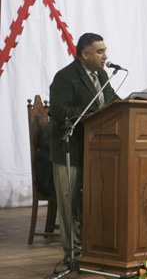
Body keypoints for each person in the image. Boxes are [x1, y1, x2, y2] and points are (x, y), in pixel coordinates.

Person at [49, 33, 119, 263]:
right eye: (100, 52)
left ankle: (94, 247)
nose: (105, 56)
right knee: (69, 204)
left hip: (98, 152)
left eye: (105, 50)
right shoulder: (65, 77)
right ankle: (72, 254)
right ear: (84, 54)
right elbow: (59, 111)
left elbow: (114, 102)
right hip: (71, 150)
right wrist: (92, 113)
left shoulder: (103, 75)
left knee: (96, 201)